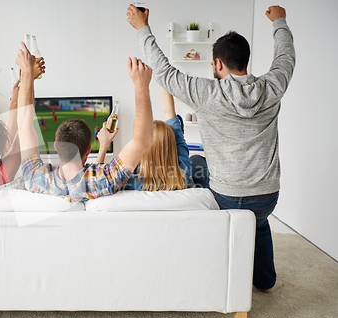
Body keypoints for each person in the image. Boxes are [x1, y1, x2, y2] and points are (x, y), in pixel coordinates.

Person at [127, 4, 295, 292]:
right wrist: (279, 22)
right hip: (267, 196)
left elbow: (165, 73)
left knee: (194, 163)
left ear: (218, 64)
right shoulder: (272, 87)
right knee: (259, 223)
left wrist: (143, 28)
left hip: (226, 197)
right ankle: (265, 280)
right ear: (245, 61)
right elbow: (285, 56)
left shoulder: (207, 93)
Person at [15, 42, 154, 202]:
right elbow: (142, 141)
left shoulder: (35, 179)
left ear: (56, 146)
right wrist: (141, 85)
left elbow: (24, 125)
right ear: (88, 150)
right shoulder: (102, 181)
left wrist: (27, 74)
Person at [98, 87, 191, 191]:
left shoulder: (132, 183)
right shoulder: (184, 175)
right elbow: (169, 112)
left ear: (144, 149)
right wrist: (163, 75)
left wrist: (104, 144)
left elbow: (99, 182)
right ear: (173, 146)